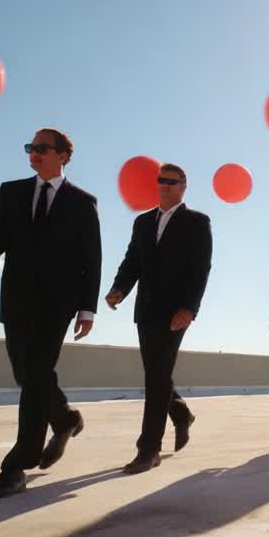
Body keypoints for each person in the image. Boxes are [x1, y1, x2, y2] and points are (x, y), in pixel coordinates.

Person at [0, 128, 102, 500]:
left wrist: (88, 307)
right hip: (17, 300)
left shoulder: (83, 203)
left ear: (63, 156)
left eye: (41, 148)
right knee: (27, 374)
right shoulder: (11, 193)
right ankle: (67, 419)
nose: (33, 154)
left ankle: (16, 466)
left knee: (37, 372)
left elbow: (91, 261)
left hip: (58, 304)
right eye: (30, 148)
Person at [106, 163, 212, 473]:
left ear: (183, 186)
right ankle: (179, 413)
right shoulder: (142, 222)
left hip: (175, 312)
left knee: (157, 375)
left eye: (171, 181)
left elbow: (200, 267)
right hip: (146, 309)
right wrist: (119, 289)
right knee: (155, 372)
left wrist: (189, 308)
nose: (164, 185)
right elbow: (133, 261)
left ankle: (148, 448)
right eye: (161, 181)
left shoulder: (197, 222)